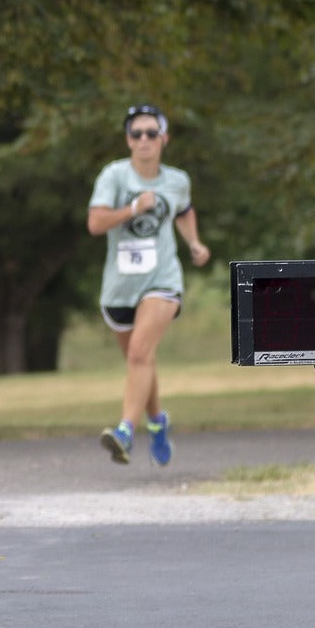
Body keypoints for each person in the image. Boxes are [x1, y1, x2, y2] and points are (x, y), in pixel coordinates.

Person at [87, 103, 210, 466]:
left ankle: (125, 431)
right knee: (141, 360)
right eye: (136, 133)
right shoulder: (114, 176)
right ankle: (157, 422)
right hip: (119, 287)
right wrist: (133, 208)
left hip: (162, 280)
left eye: (151, 133)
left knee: (140, 354)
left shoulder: (177, 180)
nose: (144, 140)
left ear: (164, 139)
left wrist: (194, 242)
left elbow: (184, 210)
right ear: (128, 139)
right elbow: (95, 224)